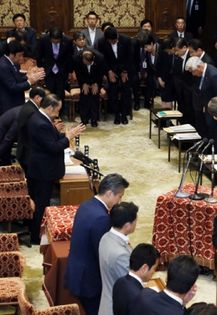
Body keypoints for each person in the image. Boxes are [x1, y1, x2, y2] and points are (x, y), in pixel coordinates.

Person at [65, 173, 129, 315]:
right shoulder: (101, 218)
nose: (120, 201)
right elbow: (103, 254)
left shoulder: (86, 204)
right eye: (119, 196)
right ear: (109, 193)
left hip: (76, 271)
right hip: (89, 281)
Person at [26, 94, 85, 244]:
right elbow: (53, 148)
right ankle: (36, 237)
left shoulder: (39, 118)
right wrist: (68, 137)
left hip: (39, 167)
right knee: (41, 205)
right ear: (50, 107)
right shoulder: (41, 123)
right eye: (57, 110)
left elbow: (49, 140)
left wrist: (62, 135)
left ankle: (36, 232)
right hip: (43, 171)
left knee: (40, 202)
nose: (58, 114)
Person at [98, 202, 139, 315]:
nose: (136, 223)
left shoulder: (105, 237)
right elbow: (130, 287)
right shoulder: (121, 255)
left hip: (106, 299)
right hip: (116, 308)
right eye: (135, 221)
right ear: (127, 225)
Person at [130, 255, 200, 315]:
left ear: (166, 279)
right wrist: (184, 303)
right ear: (191, 287)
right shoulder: (180, 312)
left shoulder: (145, 293)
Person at [98, 26, 133, 125]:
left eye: (114, 40)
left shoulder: (126, 40)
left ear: (117, 36)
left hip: (124, 69)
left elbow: (130, 57)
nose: (112, 42)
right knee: (113, 93)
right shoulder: (102, 42)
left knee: (125, 93)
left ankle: (124, 114)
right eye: (110, 41)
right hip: (111, 70)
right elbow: (103, 59)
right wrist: (109, 71)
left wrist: (125, 72)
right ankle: (117, 114)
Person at [113, 243, 160, 315]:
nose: (153, 272)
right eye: (154, 268)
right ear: (144, 268)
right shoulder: (141, 298)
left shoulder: (119, 282)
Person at [0, 40, 44, 114]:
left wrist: (28, 76)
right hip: (8, 104)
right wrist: (30, 81)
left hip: (16, 102)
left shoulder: (13, 63)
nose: (22, 58)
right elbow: (13, 87)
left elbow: (17, 78)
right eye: (19, 55)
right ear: (12, 54)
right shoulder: (3, 66)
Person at [185, 56, 217, 139]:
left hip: (214, 109)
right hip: (206, 106)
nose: (193, 74)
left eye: (193, 71)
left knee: (213, 131)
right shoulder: (203, 73)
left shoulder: (213, 75)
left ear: (199, 66)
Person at [37, 27, 73, 105]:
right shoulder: (43, 40)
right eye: (53, 41)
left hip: (62, 70)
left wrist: (70, 71)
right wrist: (40, 69)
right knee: (49, 92)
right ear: (50, 38)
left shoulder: (68, 40)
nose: (56, 42)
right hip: (49, 70)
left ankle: (59, 113)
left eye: (58, 41)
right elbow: (39, 56)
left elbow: (70, 57)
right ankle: (49, 111)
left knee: (60, 93)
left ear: (61, 38)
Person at [16, 86, 45, 172]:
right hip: (28, 154)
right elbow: (35, 133)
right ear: (37, 98)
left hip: (25, 151)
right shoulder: (31, 111)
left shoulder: (28, 106)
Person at [73, 48, 105, 127]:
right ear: (82, 59)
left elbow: (100, 74)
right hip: (83, 79)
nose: (87, 65)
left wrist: (96, 84)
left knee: (95, 97)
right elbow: (78, 73)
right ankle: (84, 120)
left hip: (96, 79)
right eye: (86, 63)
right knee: (84, 97)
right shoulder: (76, 58)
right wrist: (84, 83)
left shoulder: (100, 58)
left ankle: (94, 120)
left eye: (89, 63)